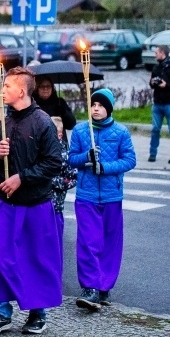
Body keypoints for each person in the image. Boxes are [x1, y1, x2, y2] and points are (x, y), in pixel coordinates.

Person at [0, 67, 62, 336]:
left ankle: (38, 312)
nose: (1, 91)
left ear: (22, 91)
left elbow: (53, 163)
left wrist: (21, 178)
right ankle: (2, 310)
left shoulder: (42, 122)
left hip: (35, 204)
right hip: (5, 203)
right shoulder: (5, 122)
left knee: (35, 259)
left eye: (6, 87)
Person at [68, 89, 136, 311]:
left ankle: (104, 287)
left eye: (100, 105)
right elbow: (71, 159)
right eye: (92, 104)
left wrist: (105, 167)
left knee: (109, 243)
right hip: (86, 196)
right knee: (88, 242)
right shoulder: (80, 130)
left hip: (111, 196)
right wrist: (86, 158)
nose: (95, 108)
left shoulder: (121, 132)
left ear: (109, 108)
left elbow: (129, 160)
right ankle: (89, 287)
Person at [148, 44, 170, 163]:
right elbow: (151, 84)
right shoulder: (156, 68)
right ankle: (152, 154)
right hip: (157, 102)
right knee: (155, 129)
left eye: (156, 53)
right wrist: (153, 82)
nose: (155, 55)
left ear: (162, 53)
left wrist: (167, 85)